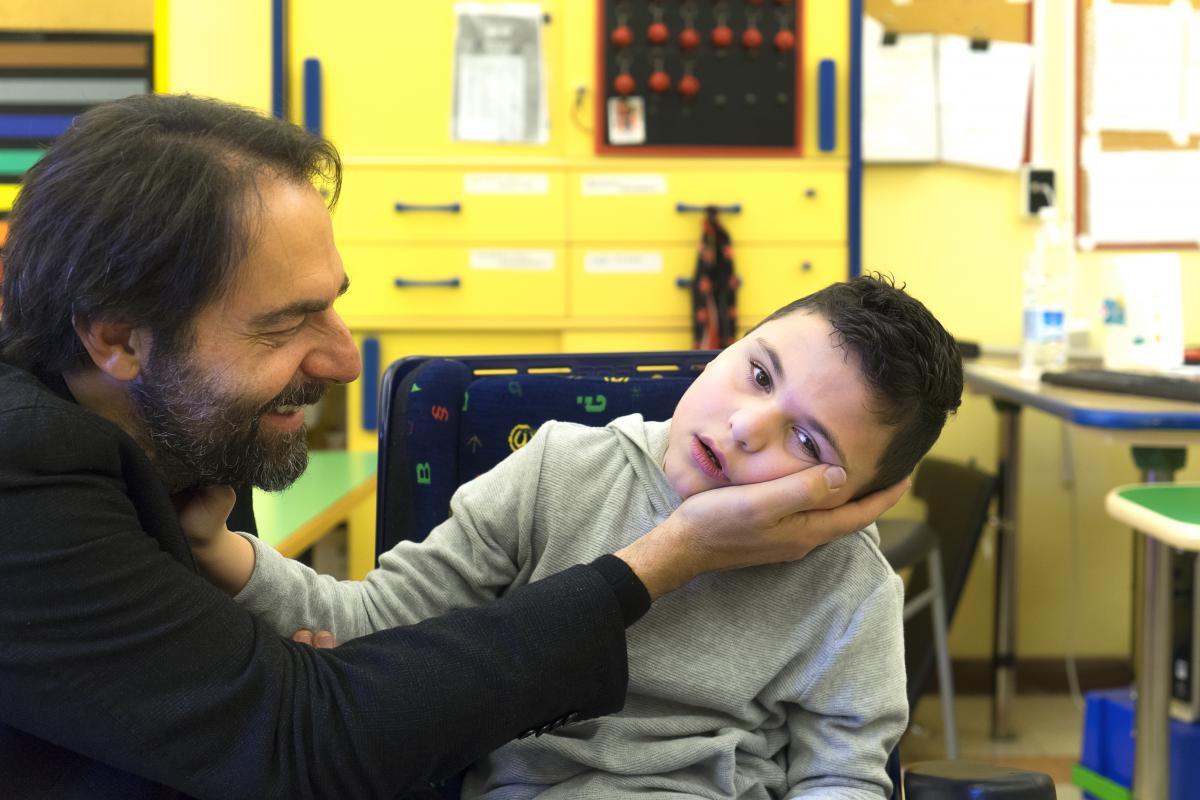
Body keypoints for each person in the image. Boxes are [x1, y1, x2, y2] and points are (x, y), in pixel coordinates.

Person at [0, 93, 910, 799]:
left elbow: (846, 764)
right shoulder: (29, 479)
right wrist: (673, 555)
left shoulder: (183, 443)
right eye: (282, 323)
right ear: (116, 339)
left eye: (807, 438)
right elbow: (300, 735)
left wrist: (255, 600)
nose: (346, 362)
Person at [185, 275, 964, 799]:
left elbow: (842, 775)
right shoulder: (560, 468)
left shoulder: (849, 584)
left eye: (807, 441)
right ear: (730, 343)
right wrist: (220, 552)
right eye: (759, 373)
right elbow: (379, 619)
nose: (745, 426)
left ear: (856, 498)